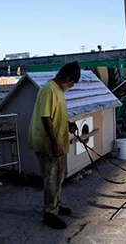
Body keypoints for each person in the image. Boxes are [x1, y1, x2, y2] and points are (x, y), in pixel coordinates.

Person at [28, 61, 81, 229]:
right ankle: (49, 213)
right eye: (72, 82)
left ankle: (55, 206)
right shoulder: (49, 89)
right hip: (47, 143)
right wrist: (56, 142)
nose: (72, 86)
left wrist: (68, 124)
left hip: (56, 141)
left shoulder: (58, 90)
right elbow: (46, 118)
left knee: (58, 177)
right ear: (66, 78)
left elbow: (56, 115)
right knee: (51, 179)